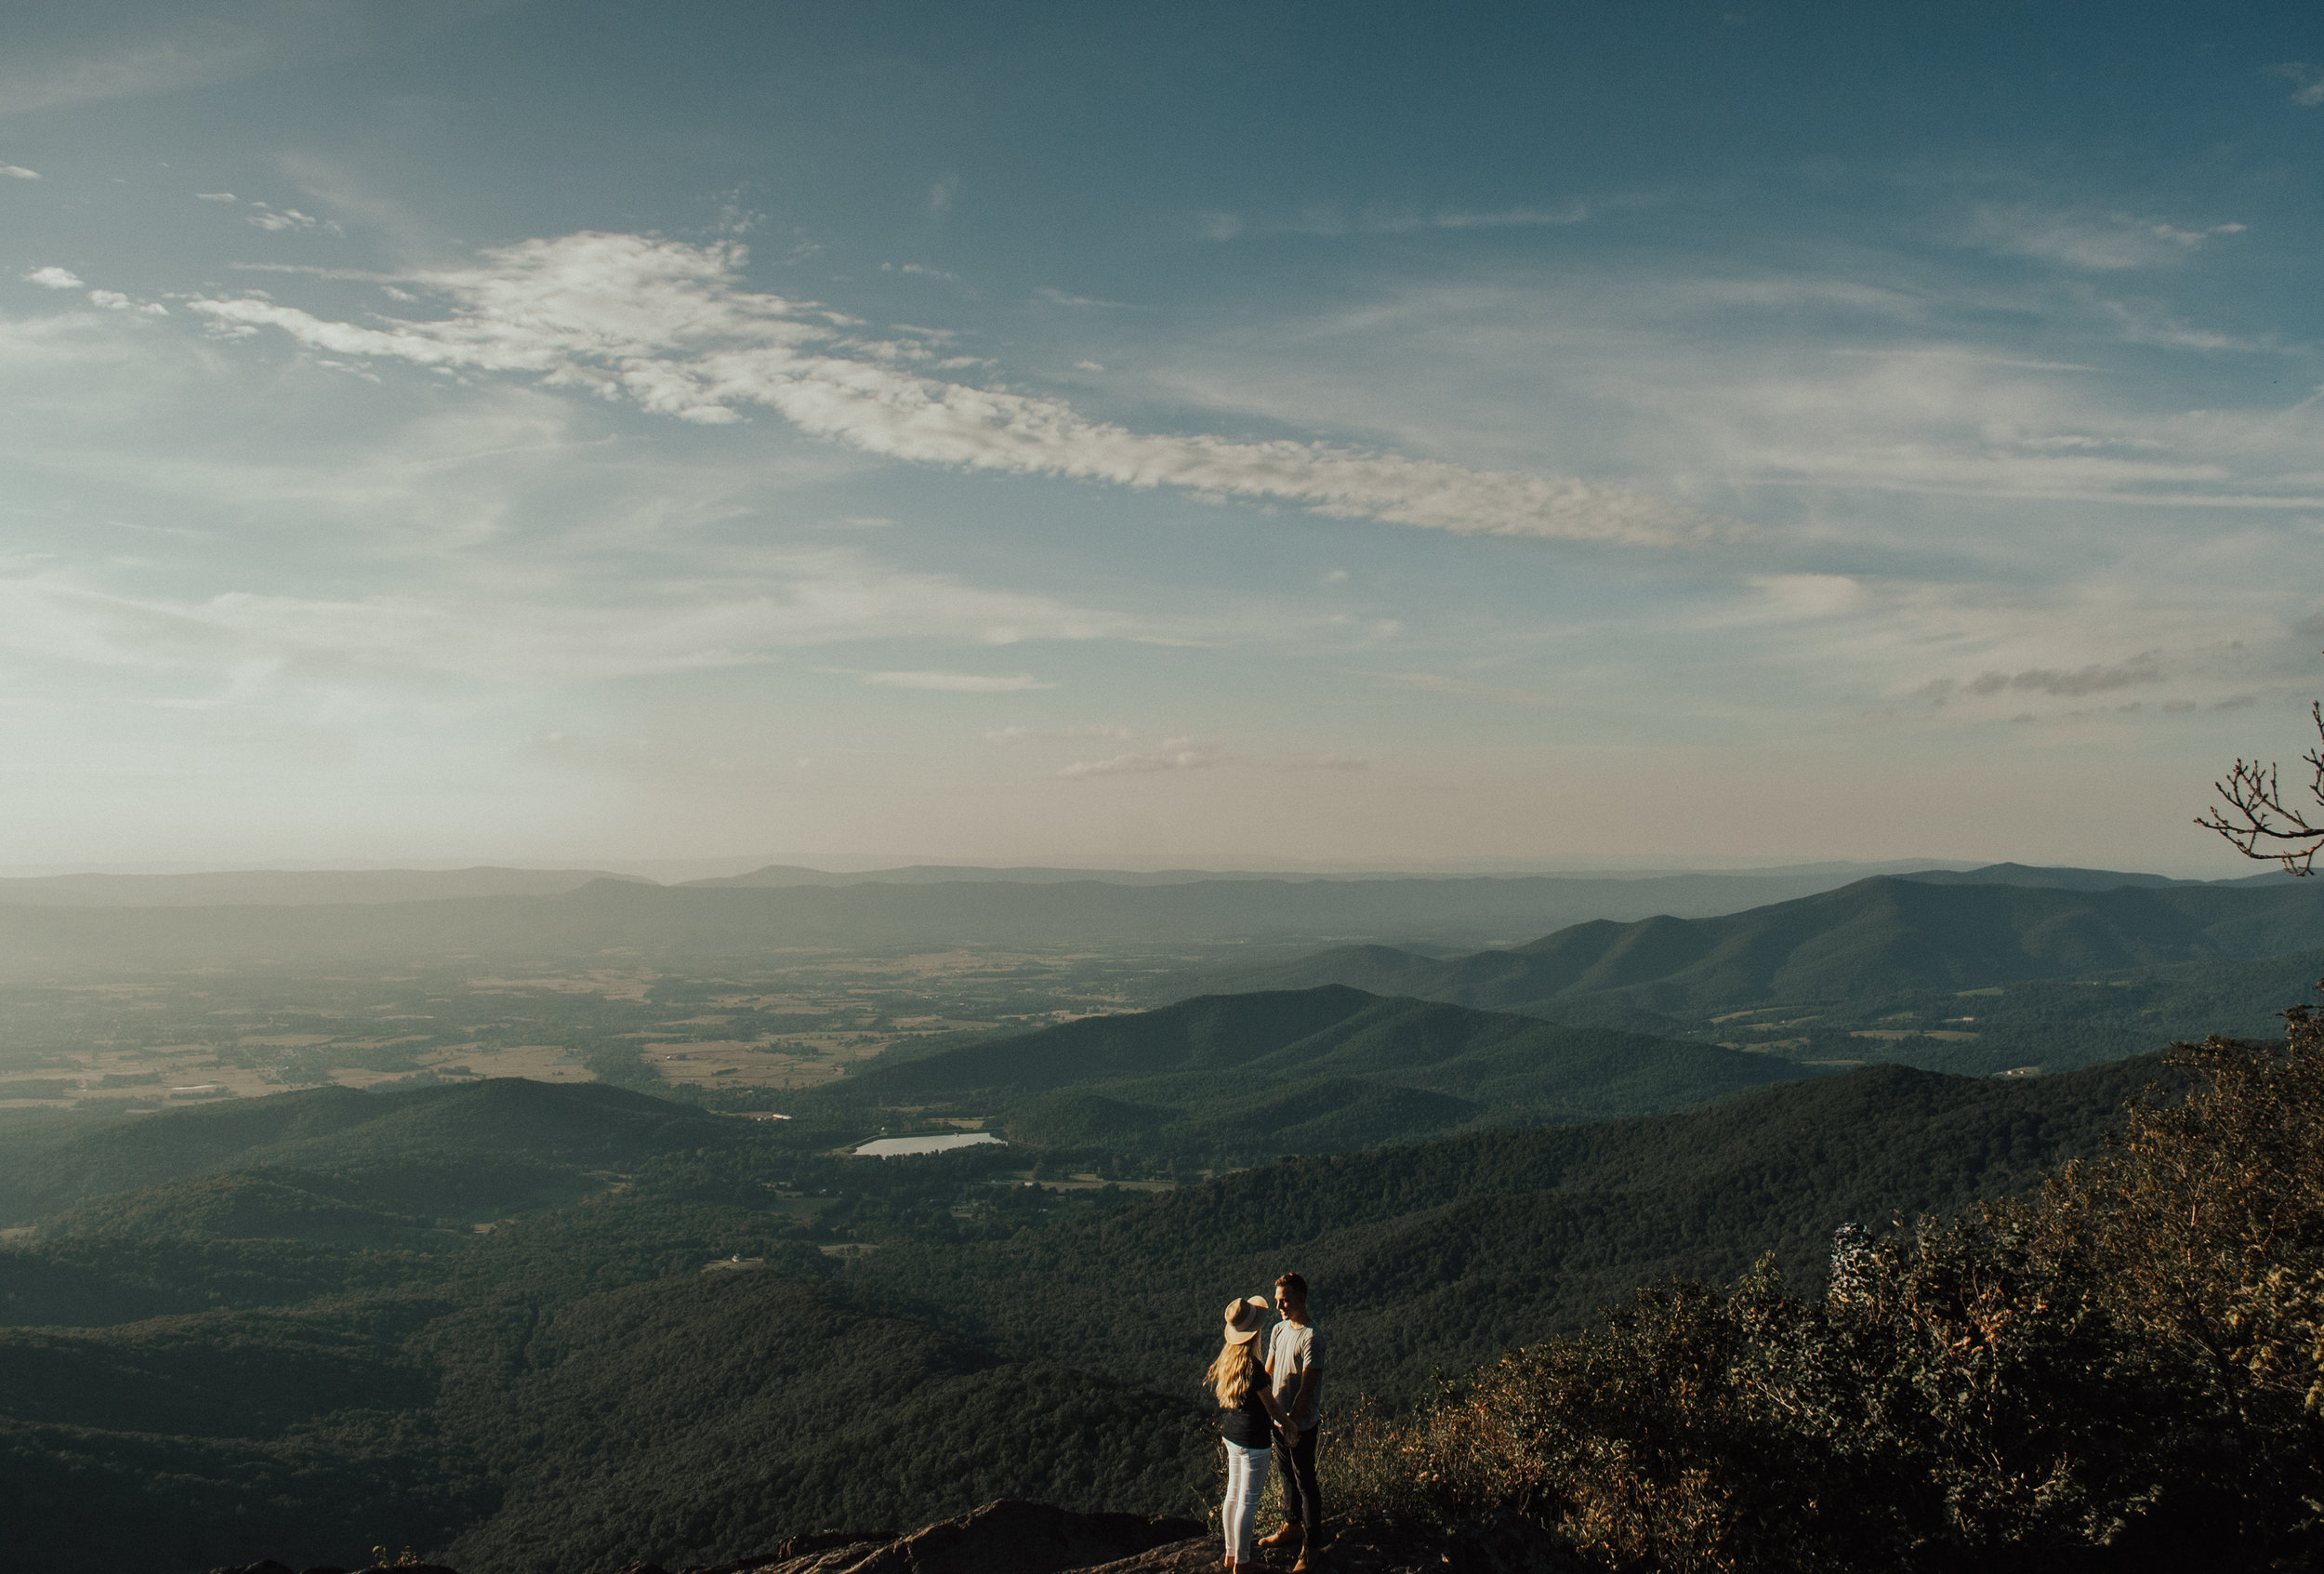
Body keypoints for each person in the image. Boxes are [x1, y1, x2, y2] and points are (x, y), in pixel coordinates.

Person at [1207, 1295, 1292, 1574]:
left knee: (1232, 1496)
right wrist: (1289, 1425)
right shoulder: (1254, 1369)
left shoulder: (1229, 1360)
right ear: (1254, 1332)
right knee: (1248, 1501)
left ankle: (1231, 1555)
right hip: (1254, 1442)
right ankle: (1243, 1563)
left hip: (1232, 1435)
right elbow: (1272, 1408)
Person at [1258, 1272, 1324, 1568]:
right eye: (1277, 1301)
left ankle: (1312, 1546)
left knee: (1305, 1481)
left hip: (1301, 1424)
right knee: (1287, 1475)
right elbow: (1268, 1373)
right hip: (1280, 1420)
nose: (1279, 1306)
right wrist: (1269, 1413)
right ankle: (1292, 1524)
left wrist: (1291, 1423)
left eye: (1284, 1300)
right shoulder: (1278, 1330)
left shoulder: (1312, 1335)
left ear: (1301, 1297)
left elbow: (1309, 1386)